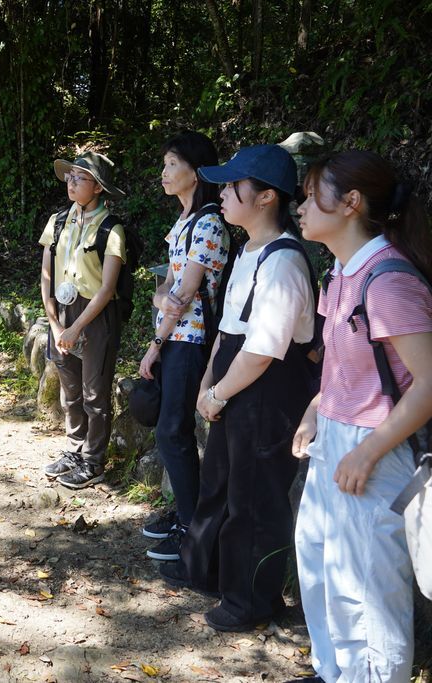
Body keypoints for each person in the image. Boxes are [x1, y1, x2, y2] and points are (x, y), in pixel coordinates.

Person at [158, 144, 317, 632]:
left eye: (232, 186)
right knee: (219, 482)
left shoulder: (283, 261)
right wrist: (210, 380)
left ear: (267, 197)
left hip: (266, 393)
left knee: (255, 497)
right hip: (234, 379)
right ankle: (206, 570)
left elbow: (264, 349)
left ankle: (250, 602)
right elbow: (230, 330)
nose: (222, 194)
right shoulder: (249, 250)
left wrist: (217, 392)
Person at [292, 150, 432, 682]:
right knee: (323, 567)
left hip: (376, 447)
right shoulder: (343, 270)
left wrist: (368, 451)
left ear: (350, 204)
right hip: (337, 435)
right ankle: (333, 673)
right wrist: (314, 410)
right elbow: (342, 362)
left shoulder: (389, 280)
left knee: (368, 594)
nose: (300, 207)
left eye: (311, 195)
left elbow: (429, 384)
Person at [138, 131, 229, 562]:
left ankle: (192, 529)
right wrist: (159, 334)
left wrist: (159, 330)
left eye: (172, 164)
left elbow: (183, 293)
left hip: (192, 342)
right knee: (171, 431)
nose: (165, 171)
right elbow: (169, 292)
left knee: (173, 430)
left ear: (196, 171)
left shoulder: (210, 222)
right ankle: (184, 517)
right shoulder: (186, 222)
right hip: (176, 337)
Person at [38, 152, 127, 489]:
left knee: (94, 393)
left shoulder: (111, 229)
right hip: (61, 312)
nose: (71, 182)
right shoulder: (57, 222)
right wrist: (56, 323)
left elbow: (107, 288)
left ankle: (94, 461)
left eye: (80, 177)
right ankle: (74, 451)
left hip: (95, 317)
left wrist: (76, 327)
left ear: (99, 188)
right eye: (70, 176)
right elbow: (46, 275)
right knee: (70, 391)